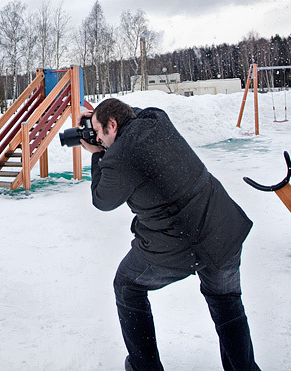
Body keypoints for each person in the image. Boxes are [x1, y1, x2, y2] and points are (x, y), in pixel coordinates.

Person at [79, 98, 259, 371]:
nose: (98, 138)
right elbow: (130, 114)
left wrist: (96, 153)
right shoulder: (156, 118)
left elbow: (102, 200)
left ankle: (145, 367)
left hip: (175, 244)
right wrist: (98, 116)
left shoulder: (119, 158)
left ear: (112, 125)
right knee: (226, 301)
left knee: (127, 286)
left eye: (98, 131)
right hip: (221, 225)